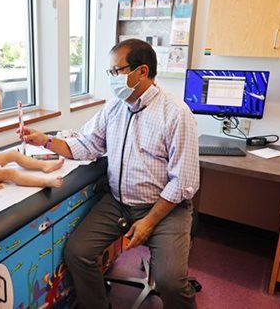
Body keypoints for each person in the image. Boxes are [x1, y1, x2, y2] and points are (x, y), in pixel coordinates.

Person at [19, 39, 199, 308]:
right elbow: (86, 144)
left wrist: (149, 222)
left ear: (142, 71)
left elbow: (183, 182)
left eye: (118, 71)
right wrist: (45, 140)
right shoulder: (114, 107)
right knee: (78, 252)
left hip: (165, 208)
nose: (113, 79)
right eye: (110, 72)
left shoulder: (176, 113)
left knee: (169, 281)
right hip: (119, 203)